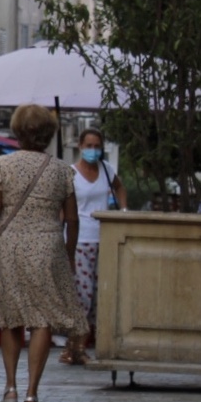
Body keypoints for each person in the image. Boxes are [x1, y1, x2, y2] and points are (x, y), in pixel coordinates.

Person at [0, 104, 89, 402]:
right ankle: (32, 395)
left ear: (17, 131)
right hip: (48, 246)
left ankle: (10, 389)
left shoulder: (2, 165)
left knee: (11, 316)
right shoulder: (62, 170)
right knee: (41, 318)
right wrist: (69, 255)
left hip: (12, 245)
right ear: (48, 133)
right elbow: (72, 219)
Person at [63, 128, 127, 365]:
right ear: (80, 146)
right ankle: (74, 345)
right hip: (80, 239)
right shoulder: (70, 174)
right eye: (89, 145)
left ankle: (84, 345)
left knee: (102, 294)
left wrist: (122, 210)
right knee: (83, 294)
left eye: (97, 145)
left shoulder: (107, 171)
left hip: (105, 237)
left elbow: (120, 188)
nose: (93, 150)